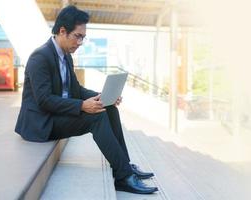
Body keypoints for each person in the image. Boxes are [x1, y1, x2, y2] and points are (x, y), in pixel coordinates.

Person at [15, 5, 158, 194]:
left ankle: (125, 165)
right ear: (62, 31)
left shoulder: (66, 57)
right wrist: (82, 106)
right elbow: (44, 100)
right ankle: (123, 177)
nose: (81, 42)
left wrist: (102, 97)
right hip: (42, 121)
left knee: (108, 108)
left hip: (58, 114)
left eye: (83, 37)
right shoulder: (40, 57)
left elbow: (76, 90)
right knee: (95, 117)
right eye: (78, 36)